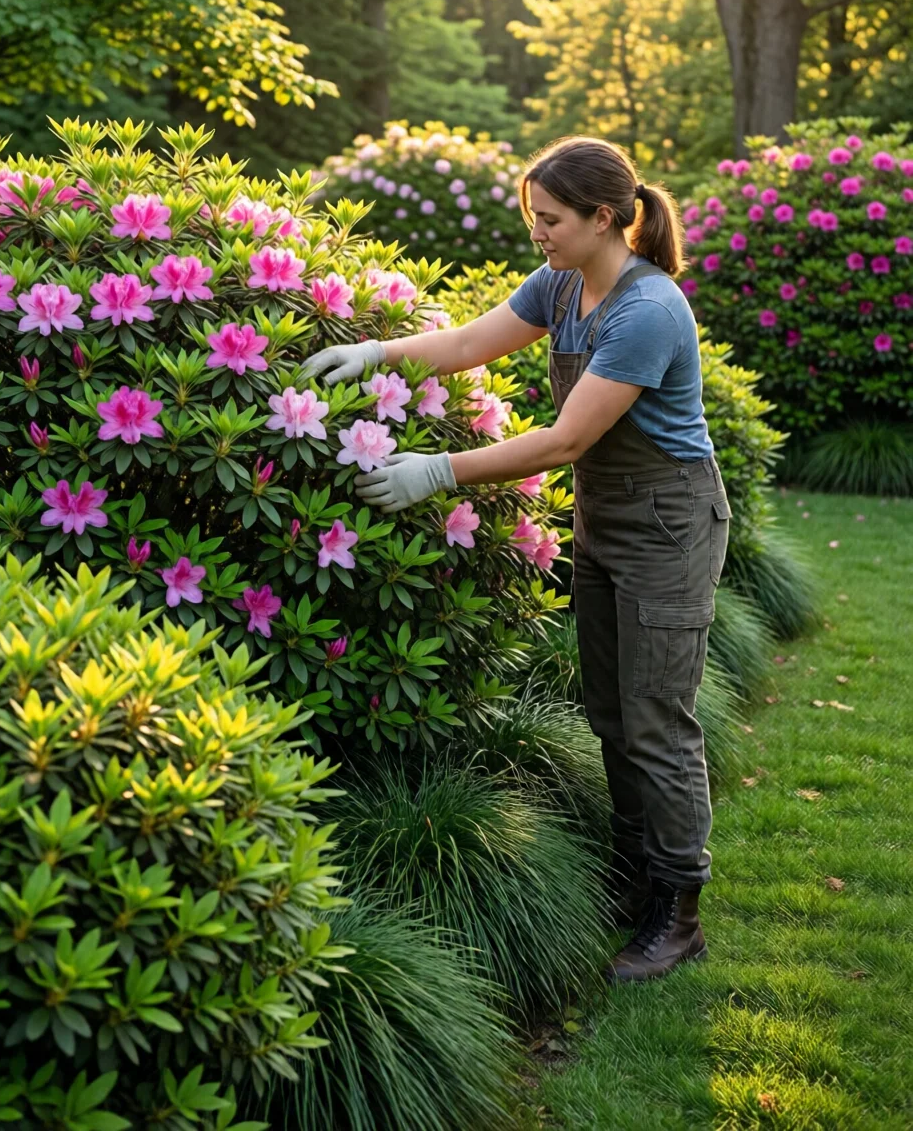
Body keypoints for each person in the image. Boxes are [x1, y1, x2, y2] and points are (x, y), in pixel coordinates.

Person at [303, 134, 732, 984]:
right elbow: (470, 344)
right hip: (610, 518)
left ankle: (678, 911)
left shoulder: (649, 310)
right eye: (534, 216)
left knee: (656, 720)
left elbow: (568, 438)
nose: (537, 232)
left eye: (550, 219)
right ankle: (634, 878)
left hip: (670, 525)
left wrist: (437, 471)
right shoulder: (560, 283)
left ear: (603, 218)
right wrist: (377, 354)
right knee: (612, 713)